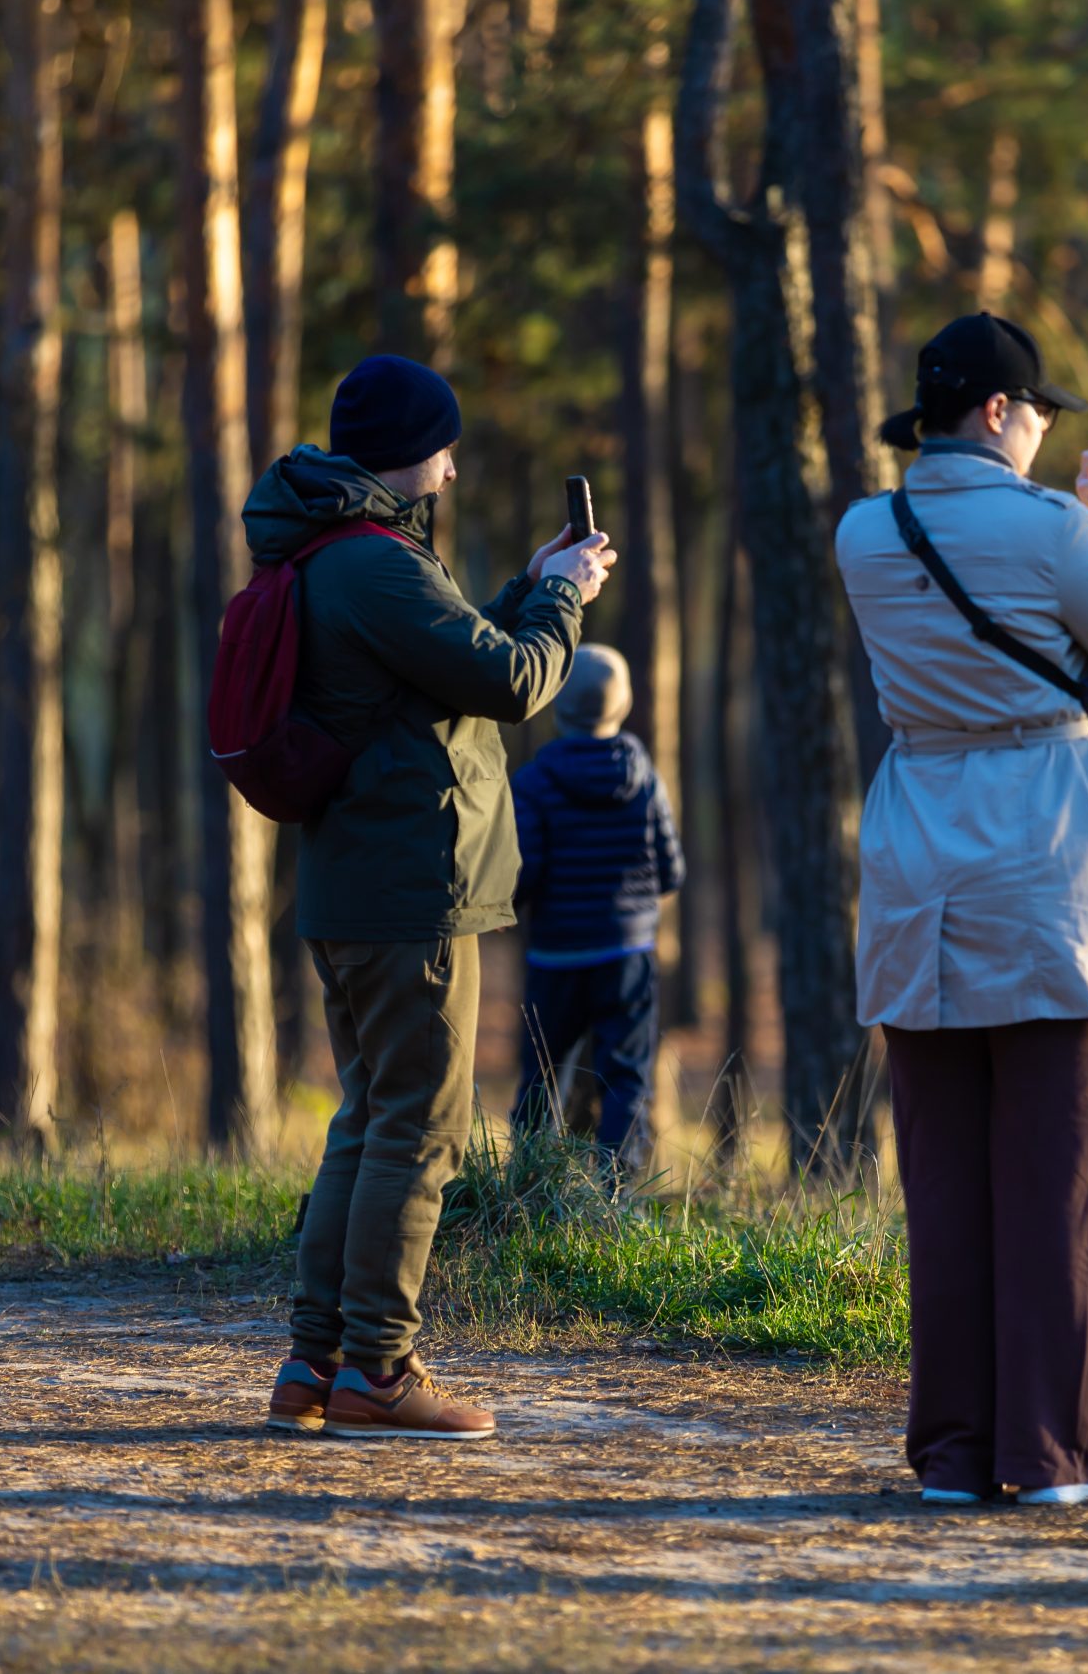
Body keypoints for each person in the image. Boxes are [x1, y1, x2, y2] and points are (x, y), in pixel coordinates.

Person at [835, 313, 1088, 1507]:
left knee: (945, 1185)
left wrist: (1081, 537)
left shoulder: (865, 531)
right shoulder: (1052, 527)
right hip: (1046, 867)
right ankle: (1047, 1455)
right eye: (1038, 413)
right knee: (1058, 1181)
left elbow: (982, 616)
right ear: (1001, 414)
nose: (1042, 433)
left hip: (917, 863)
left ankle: (953, 1452)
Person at [258, 354, 616, 1440]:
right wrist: (562, 598)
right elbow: (513, 683)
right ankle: (378, 1368)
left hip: (355, 881)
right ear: (411, 454)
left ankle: (313, 1364)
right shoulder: (374, 566)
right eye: (445, 449)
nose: (454, 472)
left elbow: (452, 663)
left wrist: (526, 588)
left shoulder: (340, 551)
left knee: (369, 1120)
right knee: (420, 1130)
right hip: (411, 888)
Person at [507, 644, 687, 1164]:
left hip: (555, 957)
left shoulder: (533, 783)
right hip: (628, 957)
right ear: (625, 704)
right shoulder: (645, 780)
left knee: (542, 1073)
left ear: (557, 704)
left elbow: (525, 876)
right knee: (626, 1077)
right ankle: (618, 1191)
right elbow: (670, 870)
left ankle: (530, 1184)